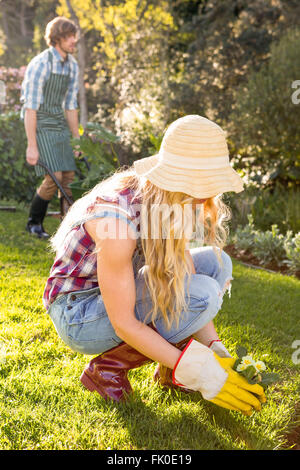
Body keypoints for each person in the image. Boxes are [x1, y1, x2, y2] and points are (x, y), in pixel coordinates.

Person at [44, 115, 266, 415]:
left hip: (113, 296)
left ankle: (171, 367)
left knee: (216, 265)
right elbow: (124, 321)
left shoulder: (167, 200)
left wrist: (215, 350)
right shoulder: (116, 222)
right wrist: (199, 371)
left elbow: (183, 271)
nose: (208, 195)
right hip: (78, 313)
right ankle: (106, 368)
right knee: (201, 294)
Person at [20, 16, 80, 239]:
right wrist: (32, 146)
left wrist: (76, 140)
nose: (74, 40)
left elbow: (71, 105)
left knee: (70, 177)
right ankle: (33, 222)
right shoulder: (41, 64)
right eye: (70, 36)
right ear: (57, 39)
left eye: (74, 36)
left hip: (58, 120)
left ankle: (70, 227)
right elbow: (30, 108)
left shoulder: (72, 65)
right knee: (53, 175)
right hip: (39, 120)